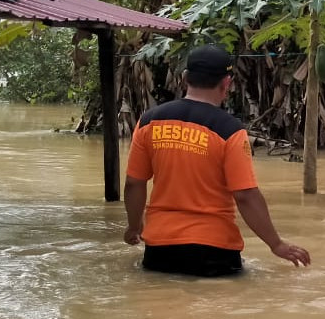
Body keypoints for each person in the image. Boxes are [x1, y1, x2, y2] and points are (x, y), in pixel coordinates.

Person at [123, 44, 311, 277]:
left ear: (185, 78)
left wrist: (134, 227)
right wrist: (276, 244)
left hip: (160, 250)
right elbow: (245, 195)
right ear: (226, 83)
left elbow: (134, 183)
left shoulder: (149, 121)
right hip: (214, 251)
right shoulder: (230, 130)